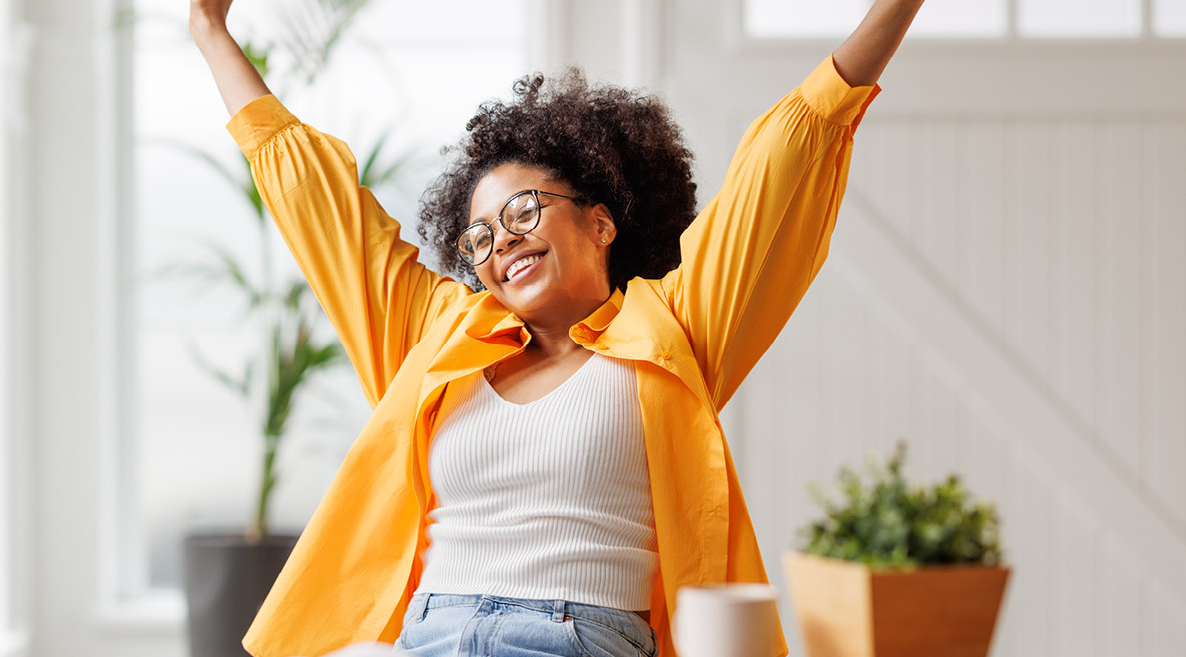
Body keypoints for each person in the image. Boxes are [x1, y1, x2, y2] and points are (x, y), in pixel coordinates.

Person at [188, 2, 925, 656]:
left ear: (600, 220)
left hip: (572, 636)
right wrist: (211, 32)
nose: (499, 241)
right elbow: (322, 209)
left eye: (523, 211)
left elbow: (784, 165)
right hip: (425, 633)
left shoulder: (673, 327)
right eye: (478, 237)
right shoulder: (440, 336)